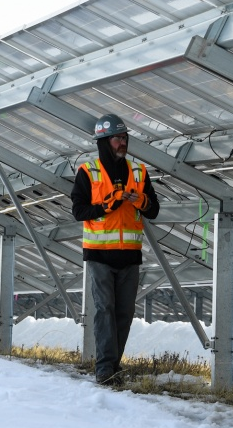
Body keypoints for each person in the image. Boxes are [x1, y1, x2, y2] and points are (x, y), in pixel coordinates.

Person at [70, 114, 160, 386]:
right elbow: (78, 211)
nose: (123, 143)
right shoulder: (88, 171)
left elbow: (153, 209)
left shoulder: (139, 172)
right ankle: (105, 368)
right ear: (104, 142)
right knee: (105, 308)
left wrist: (140, 200)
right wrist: (106, 206)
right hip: (99, 255)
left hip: (130, 255)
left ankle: (113, 365)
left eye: (124, 138)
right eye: (118, 139)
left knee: (124, 312)